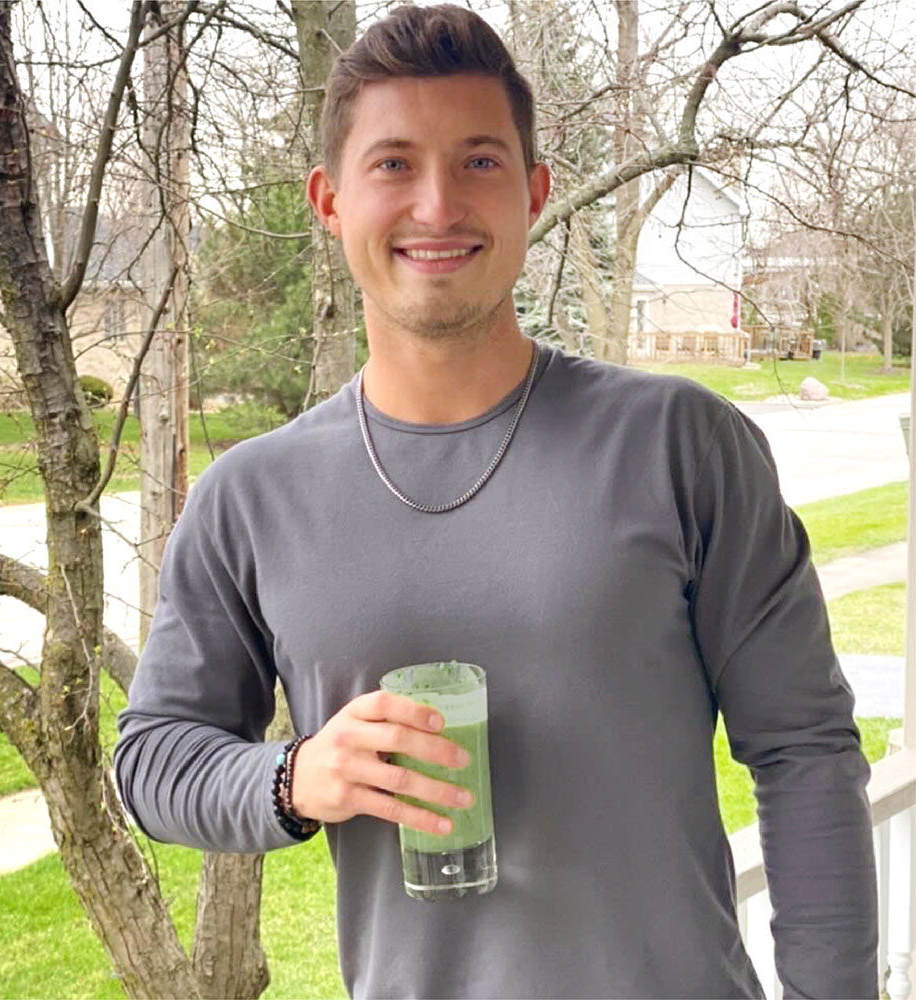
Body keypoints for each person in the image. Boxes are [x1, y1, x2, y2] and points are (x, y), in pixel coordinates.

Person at [114, 5, 877, 997]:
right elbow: (154, 759)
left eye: (478, 161)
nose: (437, 205)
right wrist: (292, 777)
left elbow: (805, 748)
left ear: (532, 192)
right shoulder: (249, 499)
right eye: (392, 164)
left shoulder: (681, 446)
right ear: (330, 201)